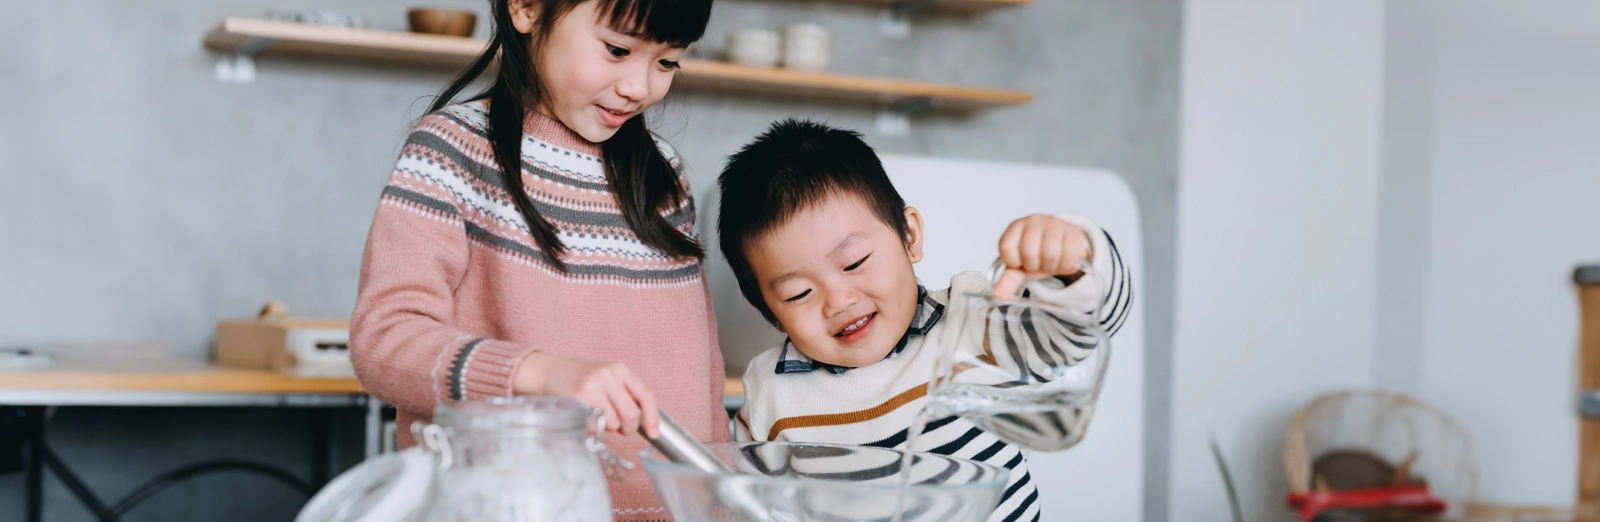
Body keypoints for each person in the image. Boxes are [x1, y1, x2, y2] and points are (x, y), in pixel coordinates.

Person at [348, 0, 722, 518]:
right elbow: (385, 339)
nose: (640, 86)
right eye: (617, 49)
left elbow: (703, 368)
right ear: (525, 7)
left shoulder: (662, 174)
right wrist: (539, 374)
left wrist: (723, 500)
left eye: (667, 62)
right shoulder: (452, 151)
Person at [718, 119, 1133, 522]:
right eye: (798, 294)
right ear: (770, 311)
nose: (839, 301)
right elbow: (758, 505)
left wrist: (1069, 264)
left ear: (909, 236)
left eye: (855, 262)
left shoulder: (973, 324)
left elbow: (1083, 328)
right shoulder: (771, 392)